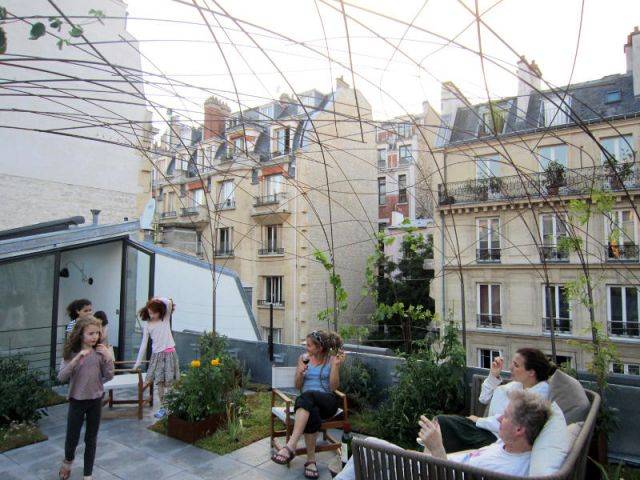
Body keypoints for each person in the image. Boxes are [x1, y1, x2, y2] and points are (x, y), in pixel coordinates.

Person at [336, 390, 552, 479]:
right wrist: (425, 452)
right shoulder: (501, 446)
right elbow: (466, 458)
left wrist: (437, 448)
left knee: (366, 451)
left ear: (519, 429)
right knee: (369, 445)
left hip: (429, 474)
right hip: (431, 465)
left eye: (504, 417)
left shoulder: (511, 470)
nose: (498, 420)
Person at [436, 347, 555, 453]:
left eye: (516, 365)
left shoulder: (537, 397)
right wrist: (494, 376)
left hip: (497, 439)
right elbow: (483, 399)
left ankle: (432, 464)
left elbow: (513, 424)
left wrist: (479, 420)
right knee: (438, 424)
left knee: (441, 425)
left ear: (531, 372)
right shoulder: (518, 385)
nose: (510, 367)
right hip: (486, 429)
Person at [271, 330, 346, 479]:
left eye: (310, 345)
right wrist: (300, 373)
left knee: (307, 396)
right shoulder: (303, 358)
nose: (307, 348)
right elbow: (298, 385)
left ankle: (291, 445)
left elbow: (333, 387)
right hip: (308, 406)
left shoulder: (332, 360)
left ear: (320, 348)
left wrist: (336, 366)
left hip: (328, 402)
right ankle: (311, 462)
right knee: (312, 411)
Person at [57, 316, 114, 480]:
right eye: (91, 333)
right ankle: (67, 462)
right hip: (77, 400)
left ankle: (88, 474)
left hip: (95, 400)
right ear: (81, 334)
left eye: (97, 333)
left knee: (91, 438)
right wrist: (77, 358)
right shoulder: (71, 353)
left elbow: (109, 375)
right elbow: (61, 376)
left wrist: (108, 358)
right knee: (72, 437)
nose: (95, 336)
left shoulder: (100, 351)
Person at [133, 297, 179, 419]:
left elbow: (169, 302)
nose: (151, 315)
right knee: (159, 384)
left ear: (160, 311)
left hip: (169, 353)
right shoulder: (148, 326)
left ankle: (170, 406)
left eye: (154, 312)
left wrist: (156, 299)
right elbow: (144, 344)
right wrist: (138, 362)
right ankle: (163, 407)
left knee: (169, 384)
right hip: (157, 356)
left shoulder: (165, 318)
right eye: (150, 312)